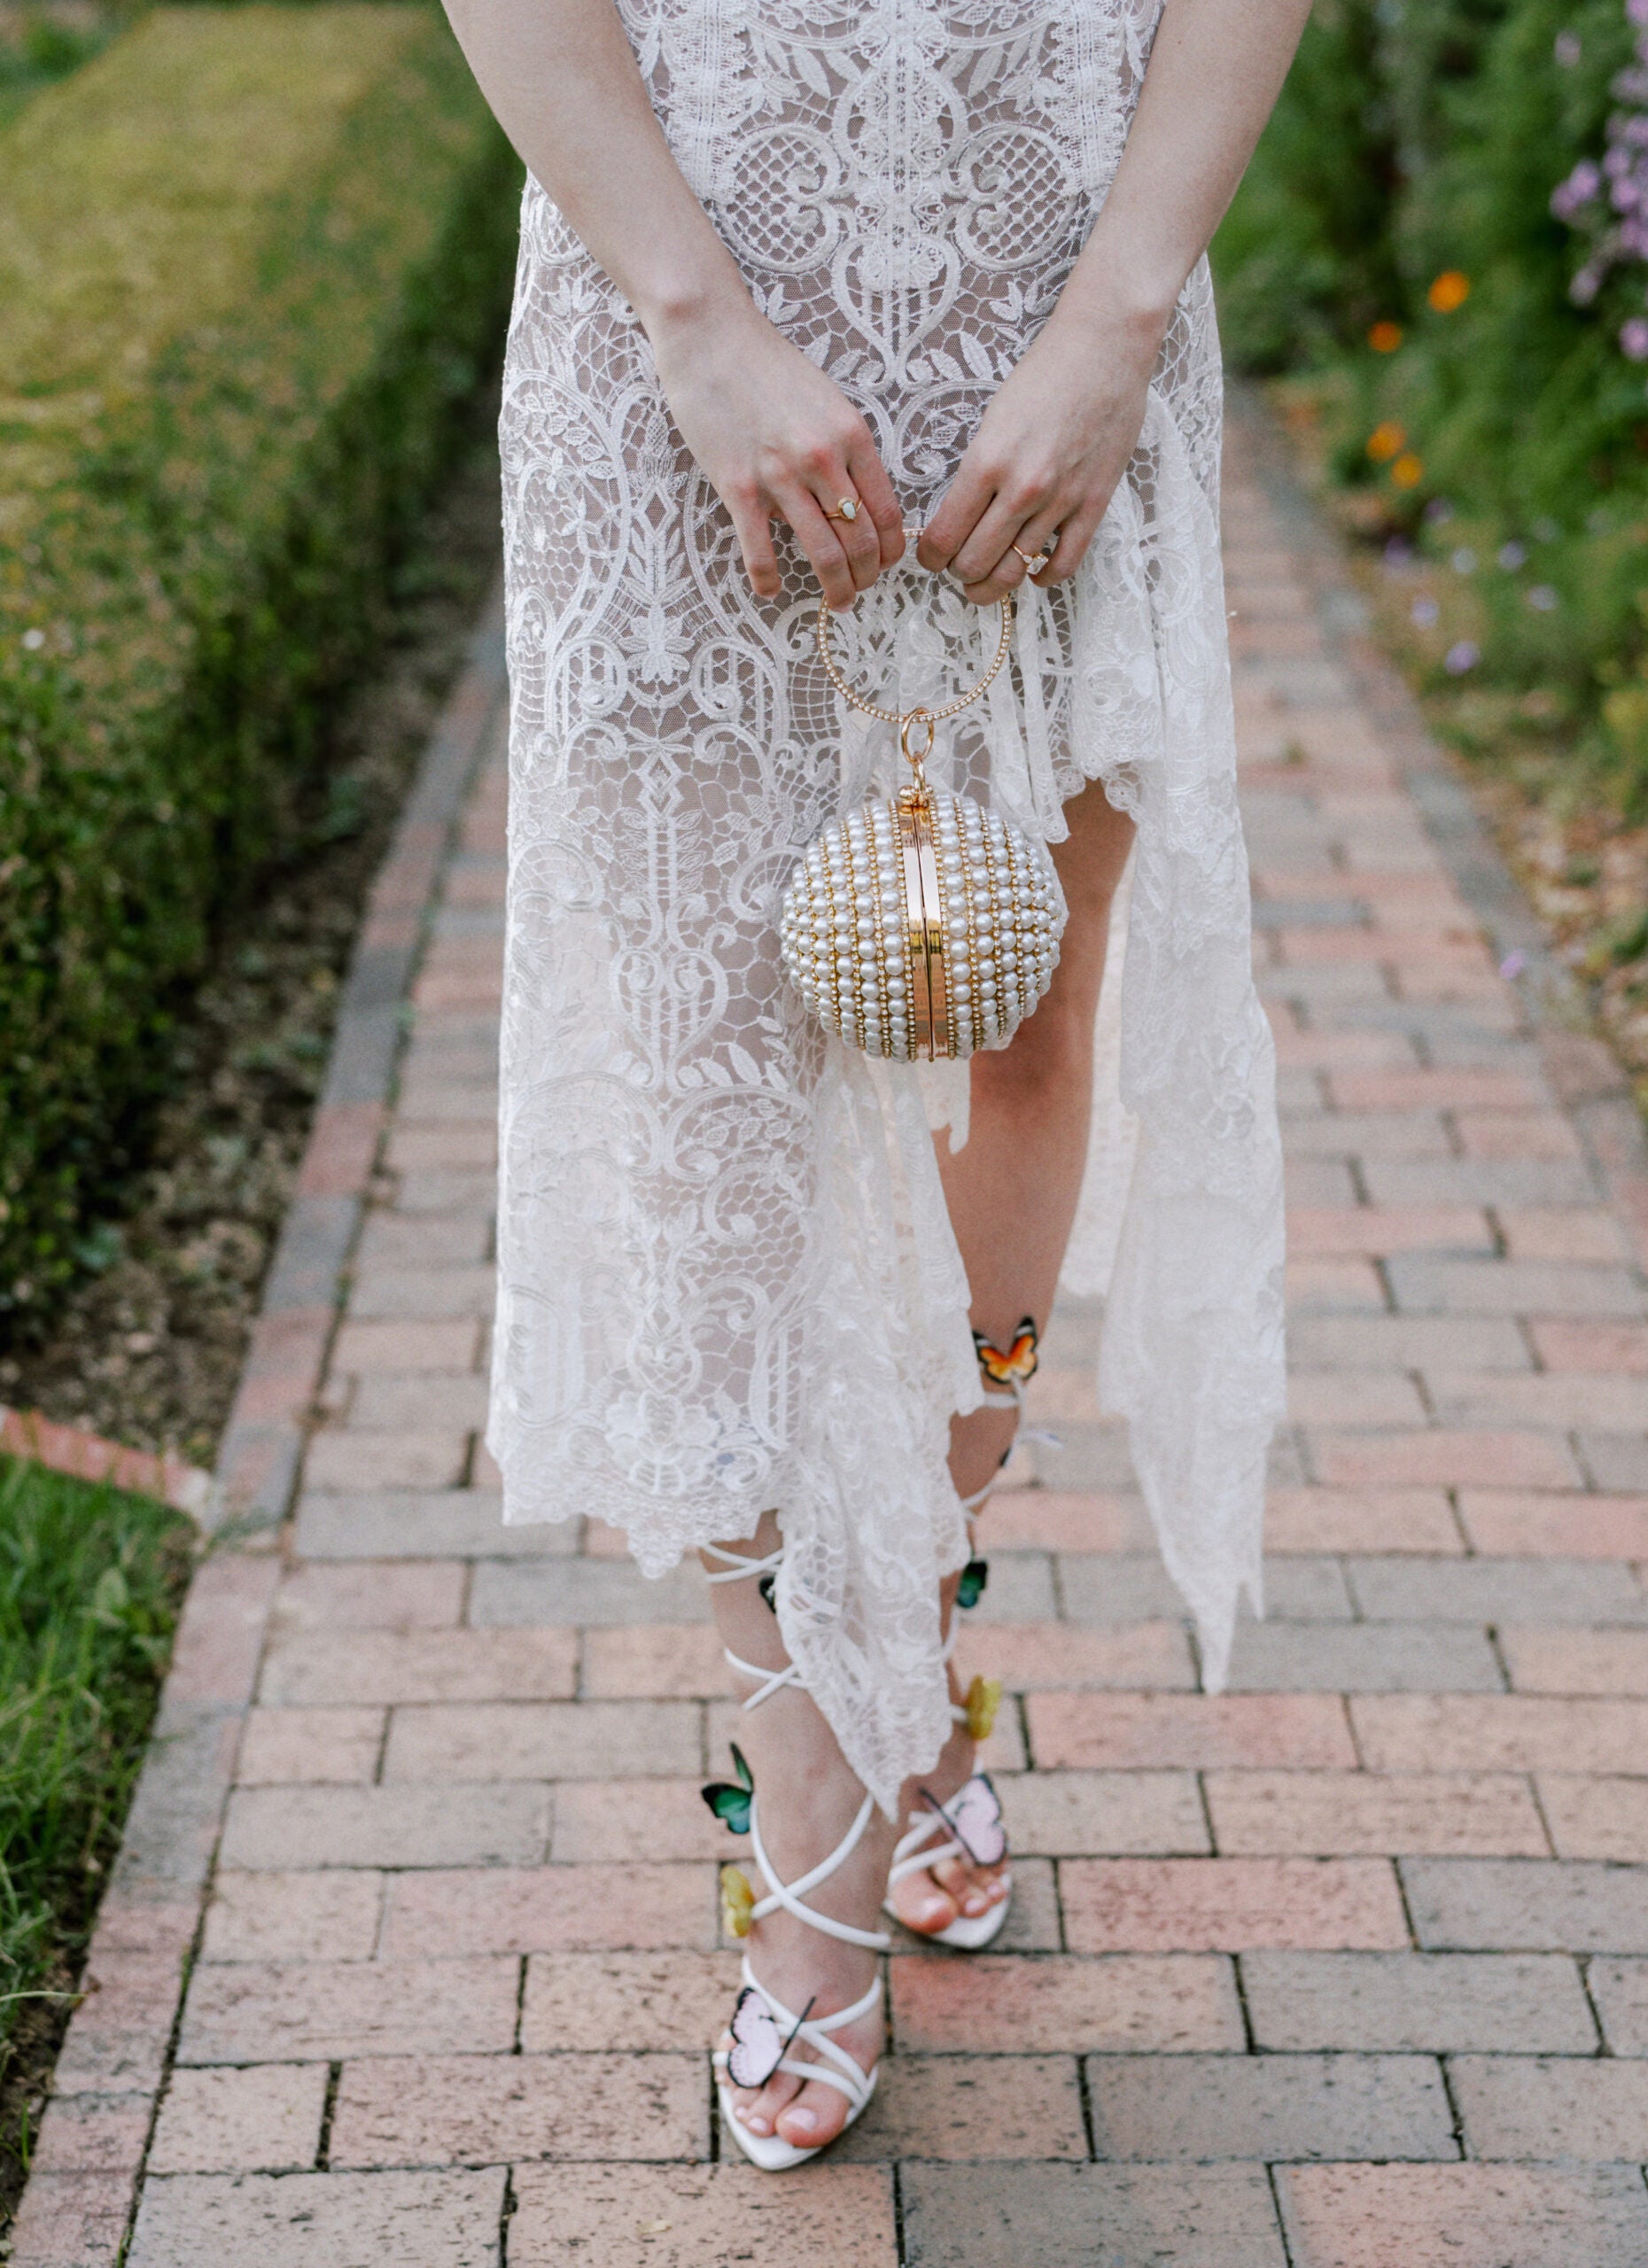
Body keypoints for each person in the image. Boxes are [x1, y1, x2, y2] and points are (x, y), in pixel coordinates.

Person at [445, 0, 1302, 2169]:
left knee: (1013, 1005)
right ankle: (812, 1830)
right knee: (720, 1097)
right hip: (689, 311)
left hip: (1060, 299)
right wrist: (694, 319)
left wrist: (1117, 315)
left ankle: (903, 1593)